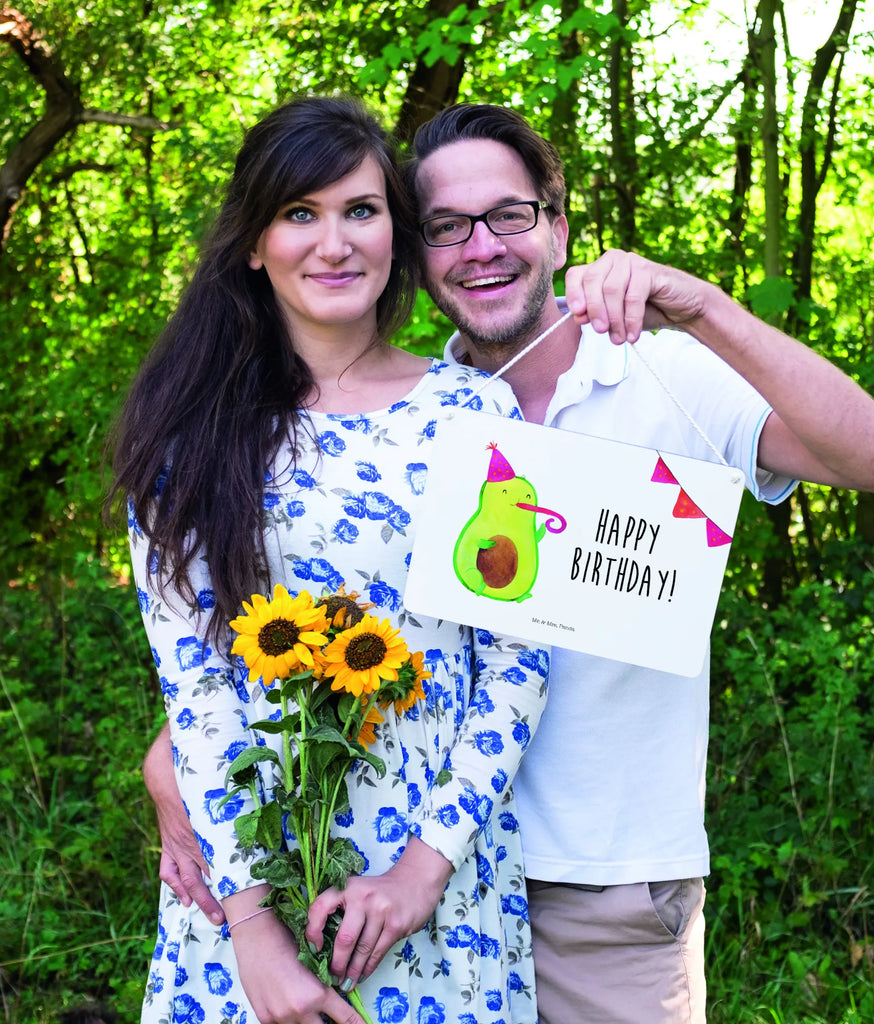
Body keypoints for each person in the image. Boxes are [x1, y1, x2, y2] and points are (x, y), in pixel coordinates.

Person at [145, 102, 874, 1024]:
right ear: (418, 251)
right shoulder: (404, 417)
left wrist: (703, 306)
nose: (481, 247)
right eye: (446, 227)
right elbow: (277, 632)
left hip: (598, 888)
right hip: (367, 875)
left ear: (556, 225)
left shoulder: (657, 373)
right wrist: (179, 769)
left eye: (508, 215)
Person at [109, 97, 551, 1024]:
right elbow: (196, 691)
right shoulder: (188, 438)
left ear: (396, 229)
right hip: (246, 889)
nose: (334, 242)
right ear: (253, 244)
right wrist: (255, 936)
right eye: (299, 214)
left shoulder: (476, 415)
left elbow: (518, 661)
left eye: (360, 210)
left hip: (436, 889)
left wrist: (422, 872)